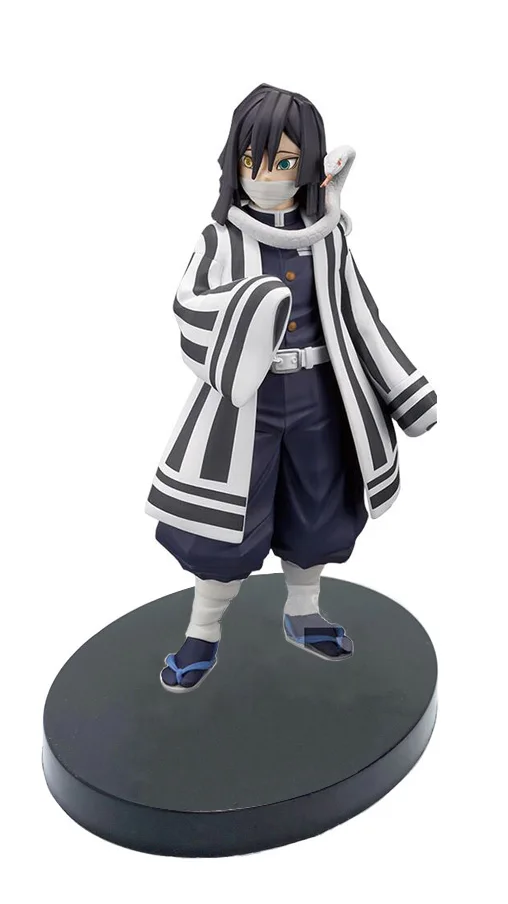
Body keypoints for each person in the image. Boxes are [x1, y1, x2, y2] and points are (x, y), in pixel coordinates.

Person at [145, 84, 437, 692]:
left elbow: (360, 317)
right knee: (227, 522)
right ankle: (203, 630)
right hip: (243, 407)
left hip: (321, 399)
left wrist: (404, 391)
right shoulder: (220, 240)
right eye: (253, 160)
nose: (266, 176)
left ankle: (303, 610)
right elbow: (188, 308)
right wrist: (246, 311)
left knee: (319, 505)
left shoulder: (328, 237)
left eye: (283, 162)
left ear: (306, 167)